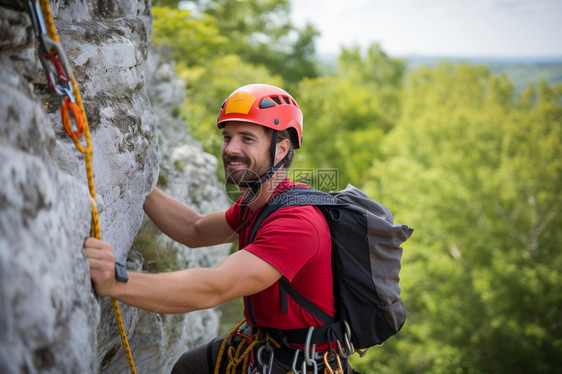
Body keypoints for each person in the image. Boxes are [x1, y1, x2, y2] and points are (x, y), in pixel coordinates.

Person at [84, 84, 346, 373]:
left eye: (247, 139)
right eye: (227, 137)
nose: (231, 148)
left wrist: (115, 282)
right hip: (267, 344)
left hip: (301, 362)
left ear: (281, 149)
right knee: (189, 367)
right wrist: (136, 185)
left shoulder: (296, 223)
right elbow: (193, 229)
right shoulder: (258, 204)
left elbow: (213, 288)